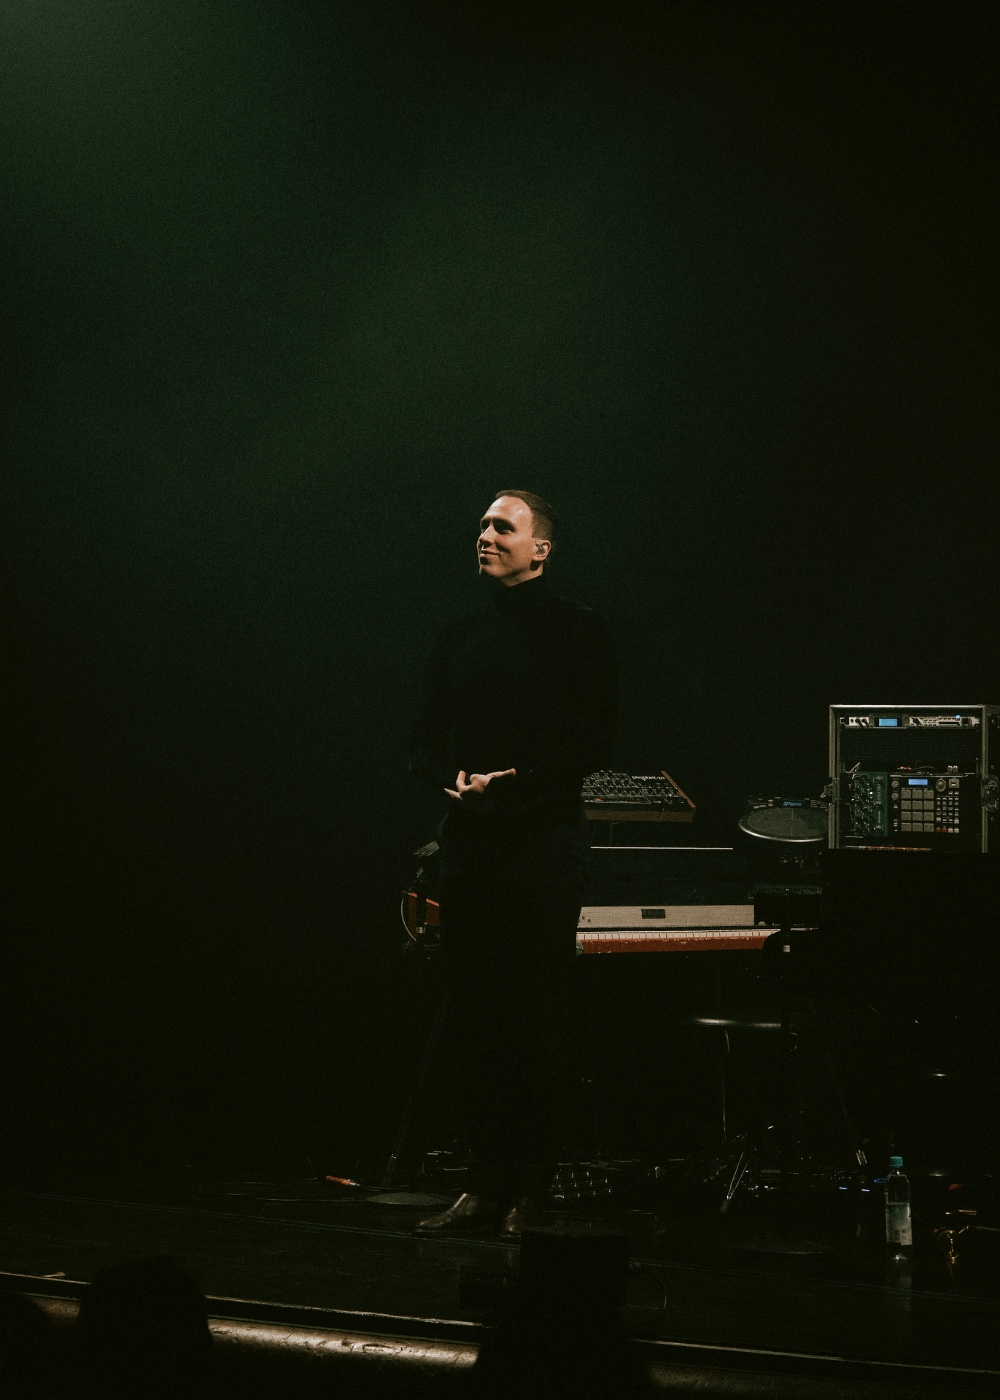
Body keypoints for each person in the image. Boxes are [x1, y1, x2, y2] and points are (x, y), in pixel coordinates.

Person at [408, 490, 617, 1236]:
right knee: (475, 1018)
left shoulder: (580, 630)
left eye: (504, 526)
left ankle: (534, 1189)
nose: (486, 535)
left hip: (540, 848)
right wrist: (454, 783)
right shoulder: (461, 633)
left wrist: (513, 789)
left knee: (534, 1020)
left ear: (541, 549)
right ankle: (485, 1184)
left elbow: (594, 741)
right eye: (483, 525)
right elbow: (422, 738)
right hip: (472, 847)